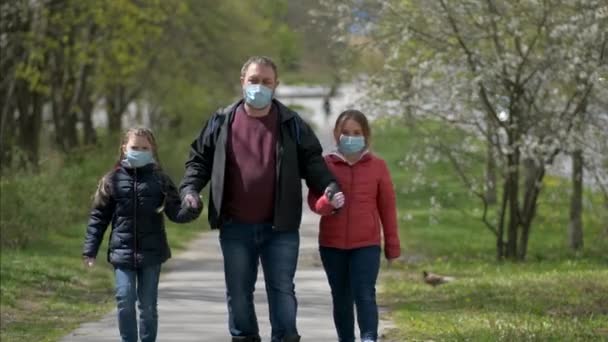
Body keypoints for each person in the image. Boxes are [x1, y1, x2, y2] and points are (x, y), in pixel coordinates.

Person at [179, 56, 343, 342]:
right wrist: (190, 190)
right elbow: (198, 161)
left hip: (280, 228)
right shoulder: (221, 121)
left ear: (276, 85)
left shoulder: (292, 123)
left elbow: (314, 163)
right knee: (239, 293)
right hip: (234, 226)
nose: (260, 86)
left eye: (267, 82)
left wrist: (329, 186)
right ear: (242, 82)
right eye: (254, 80)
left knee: (281, 290)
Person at [82, 128, 201, 342]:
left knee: (147, 306)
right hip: (122, 252)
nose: (139, 151)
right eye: (134, 147)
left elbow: (177, 213)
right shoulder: (112, 180)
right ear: (124, 149)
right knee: (124, 300)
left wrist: (192, 207)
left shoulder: (160, 181)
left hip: (152, 254)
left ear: (152, 150)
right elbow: (99, 218)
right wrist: (90, 250)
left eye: (144, 148)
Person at [307, 109, 401, 342]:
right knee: (341, 297)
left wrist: (392, 247)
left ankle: (369, 338)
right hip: (332, 245)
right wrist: (326, 203)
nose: (351, 137)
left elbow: (387, 209)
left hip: (366, 245)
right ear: (336, 134)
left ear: (366, 135)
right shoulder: (325, 165)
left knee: (365, 294)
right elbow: (313, 202)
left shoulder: (378, 166)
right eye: (345, 132)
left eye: (356, 132)